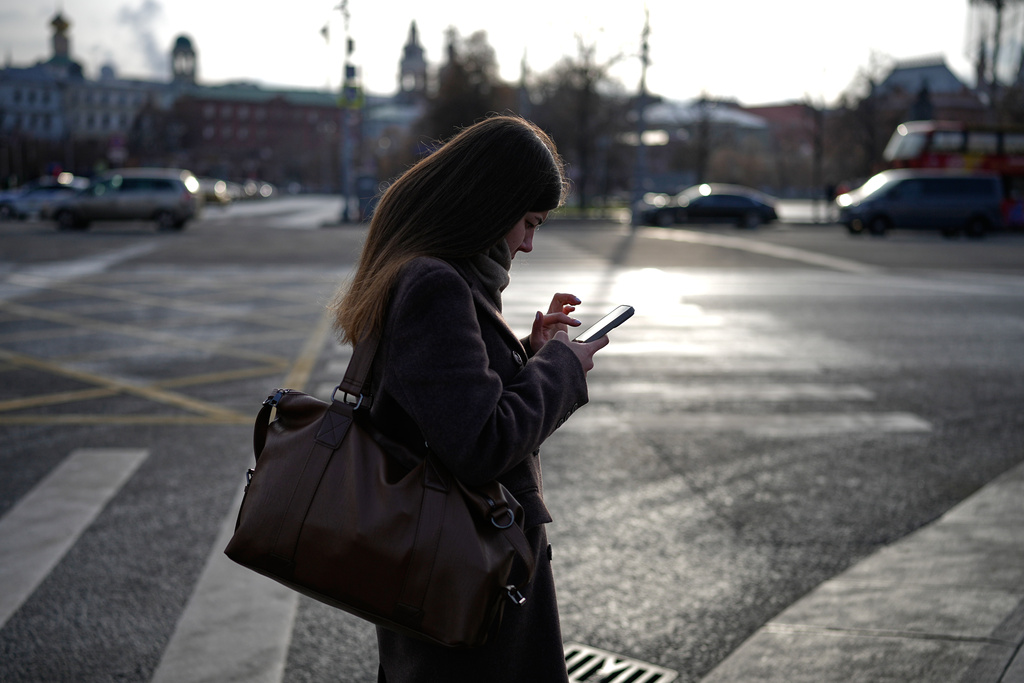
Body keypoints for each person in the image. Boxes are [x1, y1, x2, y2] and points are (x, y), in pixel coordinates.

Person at [330, 115, 609, 682]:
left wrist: (529, 354)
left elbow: (447, 409)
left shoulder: (430, 273)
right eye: (528, 223)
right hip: (464, 580)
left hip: (443, 571)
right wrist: (560, 370)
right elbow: (480, 443)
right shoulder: (436, 285)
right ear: (489, 203)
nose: (528, 244)